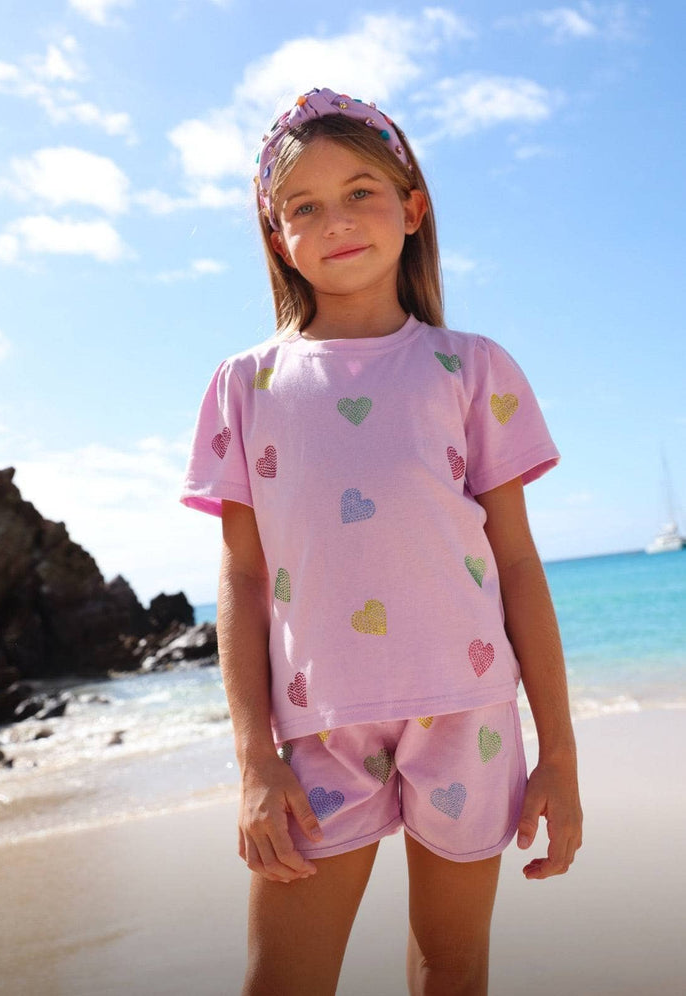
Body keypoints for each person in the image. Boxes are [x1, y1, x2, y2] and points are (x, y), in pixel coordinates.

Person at [180, 87, 582, 996]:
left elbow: (518, 564)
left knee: (452, 968)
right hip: (317, 726)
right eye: (304, 206)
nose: (336, 221)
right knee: (281, 980)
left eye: (360, 192)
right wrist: (253, 760)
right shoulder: (246, 386)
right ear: (277, 237)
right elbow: (243, 579)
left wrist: (558, 751)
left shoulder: (470, 368)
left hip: (469, 713)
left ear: (412, 207)